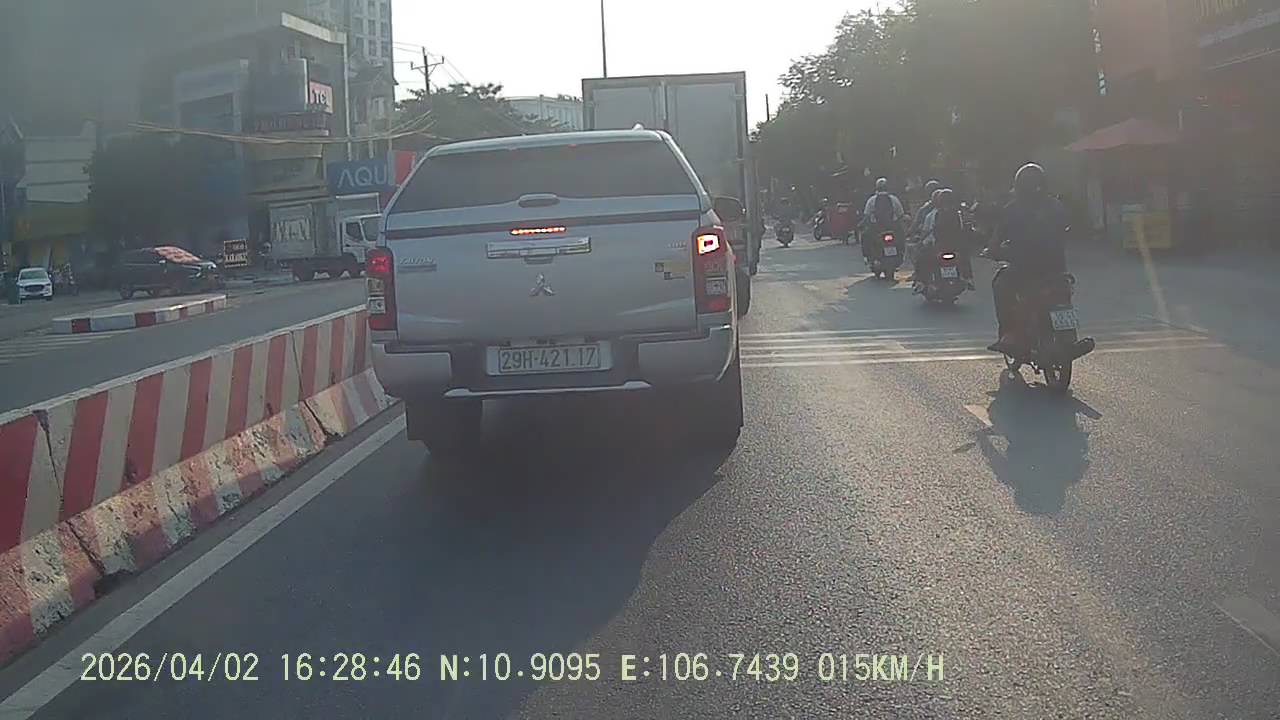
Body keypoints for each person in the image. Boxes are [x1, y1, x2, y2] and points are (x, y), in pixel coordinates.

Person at [987, 163, 1071, 354]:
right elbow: (1068, 229)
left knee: (1000, 285)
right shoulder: (1056, 206)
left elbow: (995, 241)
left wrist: (994, 251)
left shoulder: (1012, 209)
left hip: (1024, 270)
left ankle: (1009, 334)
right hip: (1057, 269)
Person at [913, 188, 975, 288]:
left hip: (940, 246)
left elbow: (930, 231)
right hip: (955, 246)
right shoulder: (958, 214)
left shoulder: (934, 214)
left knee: (922, 255)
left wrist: (922, 241)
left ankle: (921, 282)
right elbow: (963, 230)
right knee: (965, 255)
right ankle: (968, 278)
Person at [862, 178, 906, 259]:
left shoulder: (871, 200)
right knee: (902, 236)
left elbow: (867, 216)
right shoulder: (894, 199)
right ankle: (901, 253)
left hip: (876, 228)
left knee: (865, 236)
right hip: (892, 227)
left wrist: (863, 225)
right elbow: (900, 215)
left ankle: (867, 257)